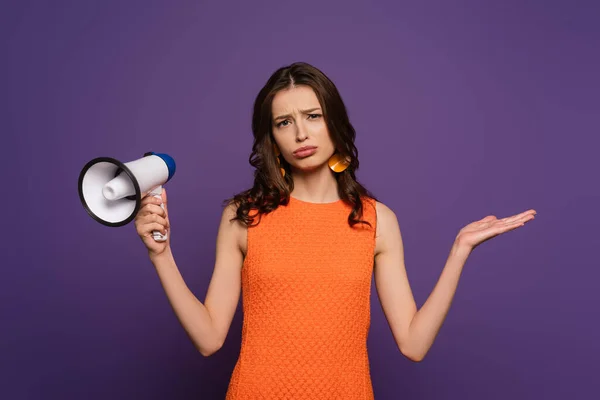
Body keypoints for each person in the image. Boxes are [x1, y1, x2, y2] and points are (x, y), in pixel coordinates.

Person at [134, 62, 536, 399]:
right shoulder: (243, 216)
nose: (301, 134)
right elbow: (209, 339)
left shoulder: (377, 220)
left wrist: (459, 250)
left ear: (335, 123)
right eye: (284, 122)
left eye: (313, 116)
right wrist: (161, 255)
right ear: (272, 138)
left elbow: (413, 345)